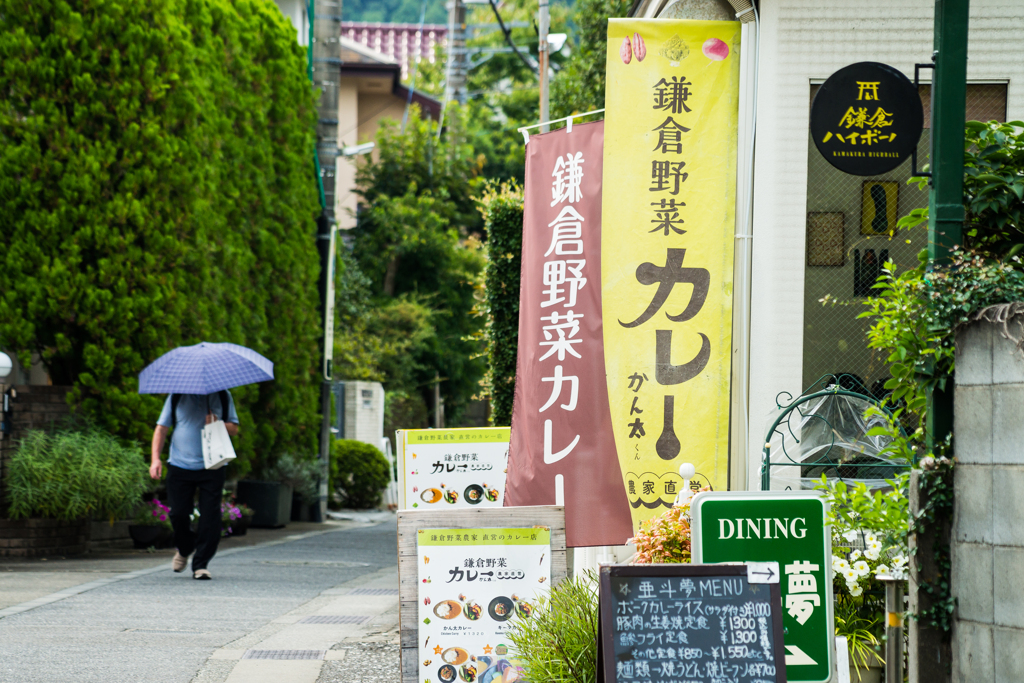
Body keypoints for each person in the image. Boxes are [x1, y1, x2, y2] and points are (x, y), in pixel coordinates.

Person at [149, 391, 239, 580]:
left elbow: (234, 429)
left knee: (210, 516)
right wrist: (155, 459)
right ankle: (185, 547)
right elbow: (162, 428)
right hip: (180, 465)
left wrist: (218, 423)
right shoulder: (176, 396)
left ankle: (201, 564)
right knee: (178, 513)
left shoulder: (222, 395)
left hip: (213, 465)